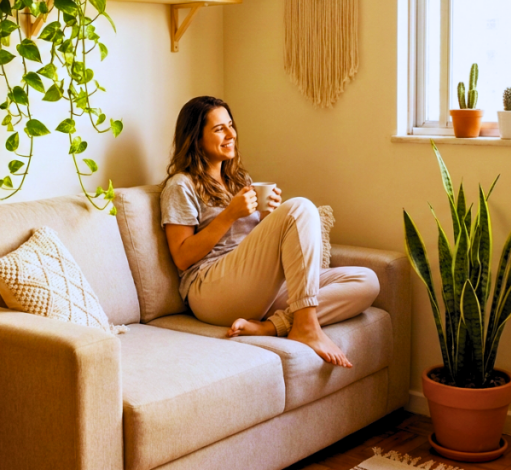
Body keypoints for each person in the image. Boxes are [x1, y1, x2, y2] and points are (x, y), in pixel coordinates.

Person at [160, 96, 380, 368]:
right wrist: (230, 214)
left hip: (254, 288)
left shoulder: (239, 180)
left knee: (366, 281)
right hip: (209, 290)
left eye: (230, 125)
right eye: (219, 129)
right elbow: (182, 257)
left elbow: (250, 246)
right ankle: (307, 326)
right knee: (300, 207)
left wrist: (267, 219)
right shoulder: (180, 185)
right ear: (195, 139)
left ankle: (274, 326)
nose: (231, 134)